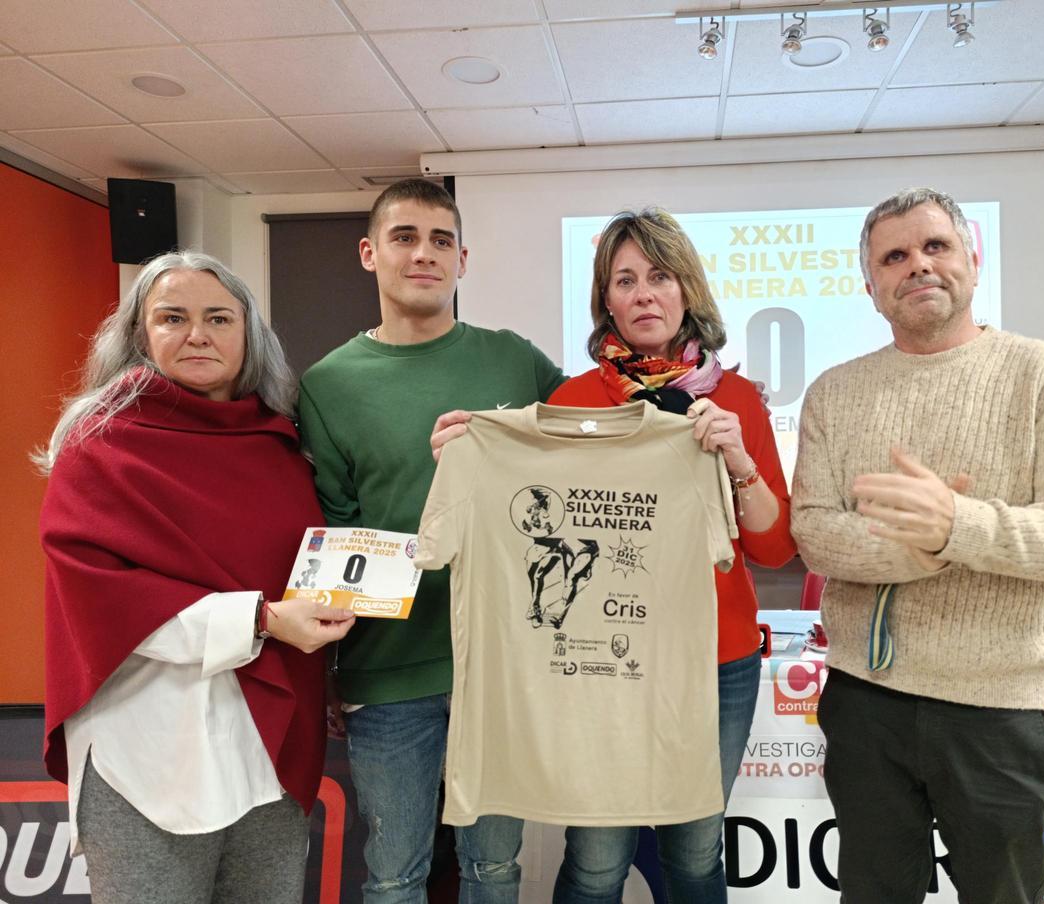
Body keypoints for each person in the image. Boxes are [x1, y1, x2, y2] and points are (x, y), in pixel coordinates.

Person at [791, 188, 1044, 903]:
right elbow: (815, 534)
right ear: (871, 286)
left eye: (935, 245)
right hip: (864, 703)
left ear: (973, 260)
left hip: (997, 708)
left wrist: (957, 525)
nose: (918, 264)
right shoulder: (833, 392)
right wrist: (921, 549)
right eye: (894, 256)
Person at [37, 251, 355, 904]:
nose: (198, 335)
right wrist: (262, 620)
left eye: (218, 318)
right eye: (173, 318)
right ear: (139, 333)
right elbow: (106, 601)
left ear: (248, 334)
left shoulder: (281, 448)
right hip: (146, 756)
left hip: (267, 752)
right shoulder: (98, 445)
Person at [298, 178, 565, 903]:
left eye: (441, 240)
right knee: (393, 877)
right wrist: (329, 669)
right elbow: (334, 529)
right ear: (369, 253)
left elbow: (589, 450)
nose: (424, 254)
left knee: (495, 869)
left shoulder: (515, 360)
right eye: (405, 238)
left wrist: (692, 405)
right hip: (387, 670)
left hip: (500, 664)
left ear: (462, 260)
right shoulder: (327, 385)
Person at [543, 208, 796, 903]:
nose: (644, 294)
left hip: (717, 658)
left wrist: (740, 460)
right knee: (597, 860)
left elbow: (774, 548)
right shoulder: (572, 401)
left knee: (694, 853)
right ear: (607, 301)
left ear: (687, 289)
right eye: (625, 281)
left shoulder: (737, 400)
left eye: (659, 276)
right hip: (604, 660)